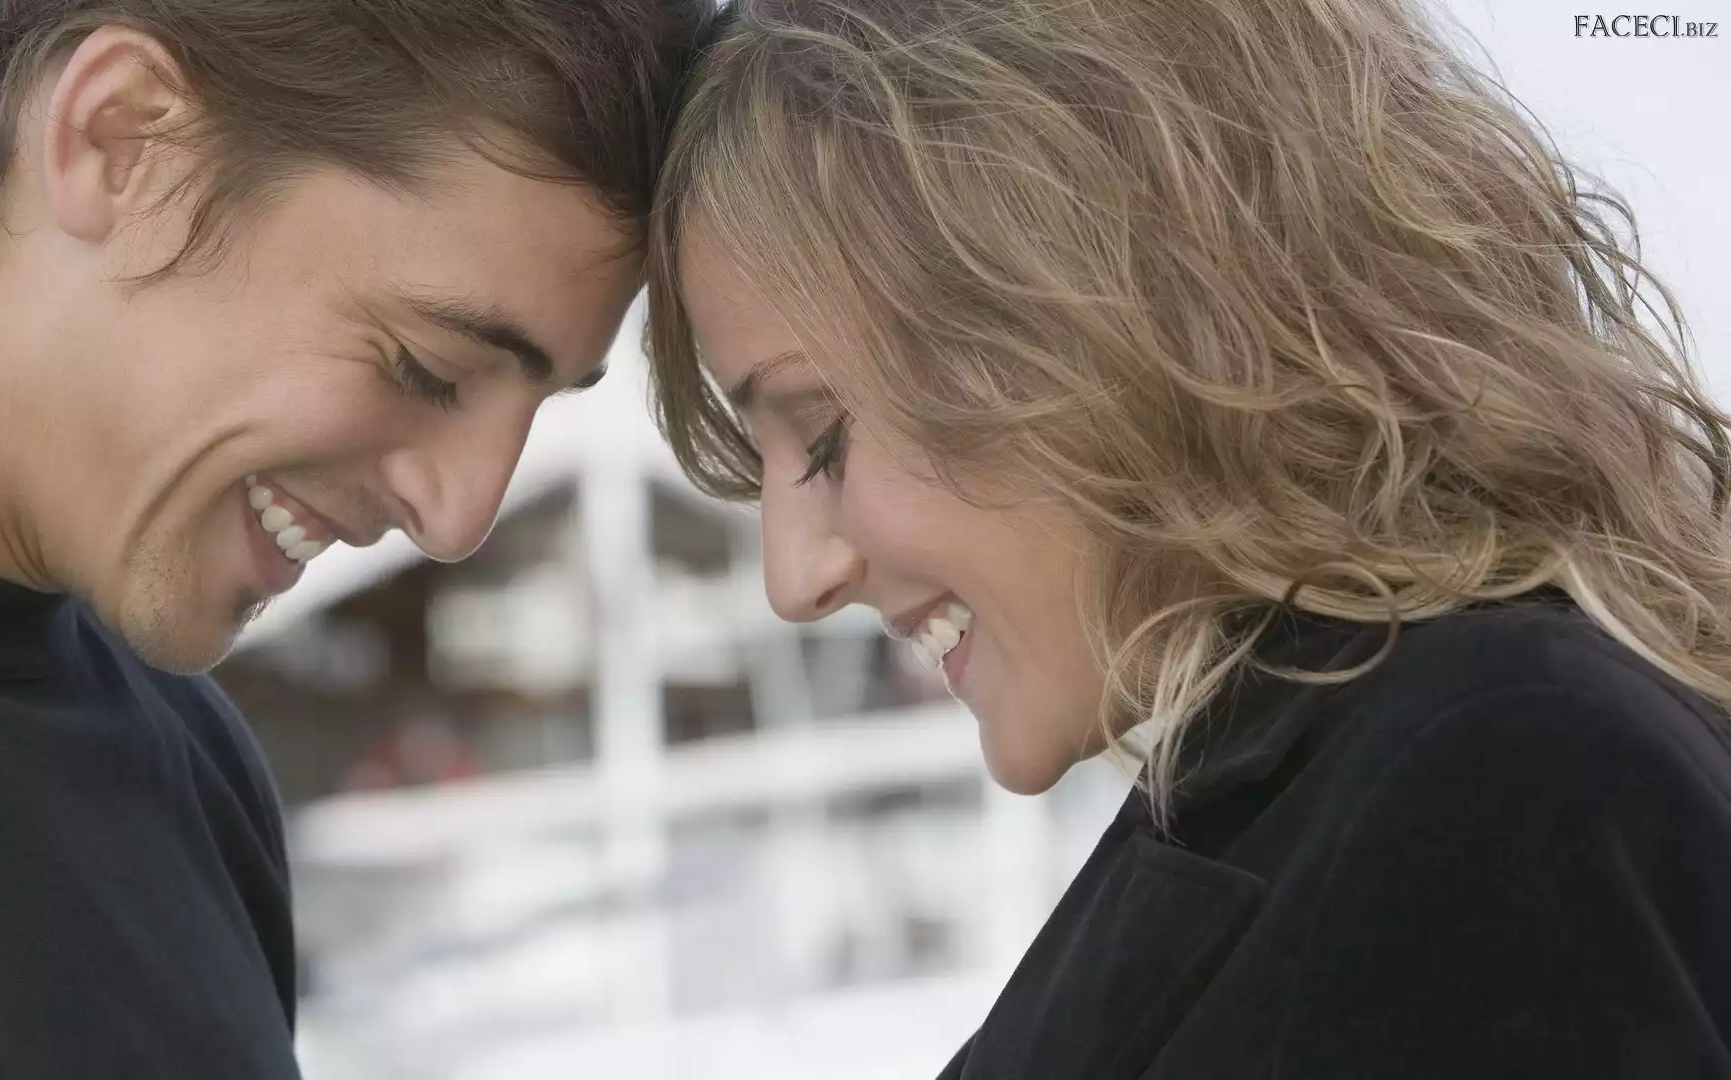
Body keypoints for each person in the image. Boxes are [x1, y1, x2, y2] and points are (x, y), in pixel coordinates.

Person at [645, 0, 1731, 1075]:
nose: (794, 578)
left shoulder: (1494, 786)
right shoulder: (1329, 779)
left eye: (823, 437)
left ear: (1100, 310)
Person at [0, 0, 716, 1075]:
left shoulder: (191, 769)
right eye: (425, 368)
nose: (459, 519)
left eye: (537, 407)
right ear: (121, 137)